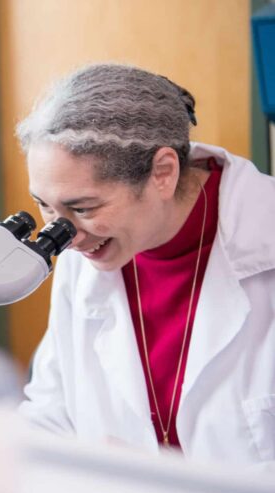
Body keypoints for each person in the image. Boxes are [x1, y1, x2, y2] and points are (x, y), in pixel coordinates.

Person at [17, 64, 275, 467]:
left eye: (83, 207)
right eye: (45, 206)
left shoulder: (264, 245)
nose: (65, 237)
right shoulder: (85, 252)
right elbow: (51, 416)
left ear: (163, 173)